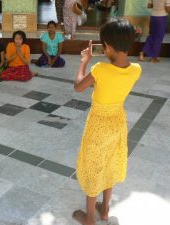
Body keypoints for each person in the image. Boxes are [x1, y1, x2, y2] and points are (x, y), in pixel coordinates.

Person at [72, 19, 142, 225]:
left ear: (108, 46)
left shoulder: (100, 69)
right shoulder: (136, 69)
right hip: (118, 122)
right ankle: (105, 211)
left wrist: (84, 62)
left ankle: (90, 219)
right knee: (110, 163)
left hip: (98, 124)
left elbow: (78, 87)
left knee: (94, 166)